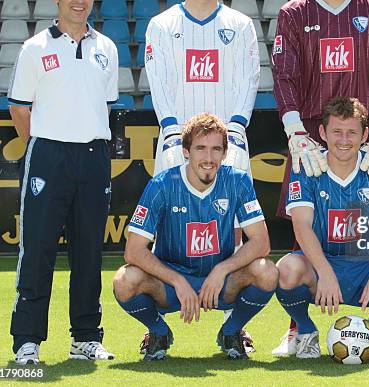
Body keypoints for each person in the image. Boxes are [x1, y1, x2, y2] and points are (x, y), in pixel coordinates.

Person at [271, 0, 369, 354]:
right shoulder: (294, 13)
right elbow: (283, 75)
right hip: (311, 135)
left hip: (361, 135)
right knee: (302, 233)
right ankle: (299, 328)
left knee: (367, 228)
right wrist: (295, 132)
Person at [143, 0, 261, 352]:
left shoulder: (241, 24)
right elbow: (157, 81)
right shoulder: (161, 25)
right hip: (176, 142)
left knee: (237, 230)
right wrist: (173, 129)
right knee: (161, 229)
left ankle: (234, 322)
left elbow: (249, 80)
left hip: (229, 142)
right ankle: (156, 322)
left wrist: (236, 129)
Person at [7, 0, 118, 365]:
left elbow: (104, 106)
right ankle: (27, 341)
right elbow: (20, 109)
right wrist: (44, 146)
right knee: (37, 250)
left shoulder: (107, 48)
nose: (80, 0)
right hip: (49, 155)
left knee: (89, 252)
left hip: (93, 157)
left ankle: (85, 337)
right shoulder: (34, 48)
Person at [112, 113, 277, 361]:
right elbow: (133, 251)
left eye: (215, 149)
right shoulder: (162, 184)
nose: (208, 158)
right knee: (124, 280)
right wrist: (178, 281)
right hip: (170, 284)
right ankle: (159, 332)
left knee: (267, 271)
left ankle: (231, 331)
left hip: (219, 282)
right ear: (186, 150)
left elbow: (261, 242)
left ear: (224, 153)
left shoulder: (237, 180)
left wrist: (221, 270)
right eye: (200, 148)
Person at [274, 97, 369, 358]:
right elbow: (302, 226)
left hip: (367, 264)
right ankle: (305, 332)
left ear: (365, 134)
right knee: (286, 269)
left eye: (352, 132)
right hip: (324, 261)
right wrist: (325, 272)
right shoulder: (306, 165)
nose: (344, 140)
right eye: (336, 132)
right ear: (322, 132)